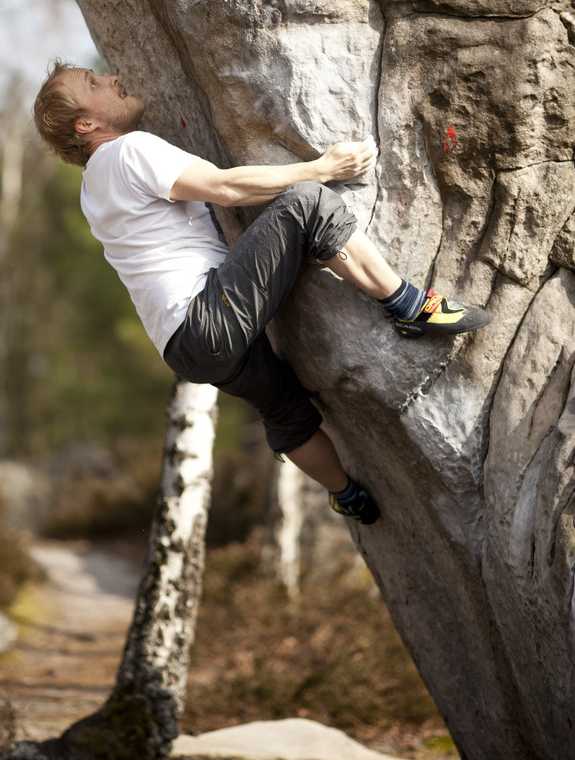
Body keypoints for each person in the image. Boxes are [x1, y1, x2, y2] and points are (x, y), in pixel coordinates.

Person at [32, 61, 490, 526]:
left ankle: (346, 495)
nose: (111, 78)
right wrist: (322, 168)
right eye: (94, 83)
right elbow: (225, 188)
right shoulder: (127, 150)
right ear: (86, 125)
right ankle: (409, 306)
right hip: (205, 317)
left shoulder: (91, 188)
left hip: (183, 349)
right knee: (308, 202)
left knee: (282, 410)